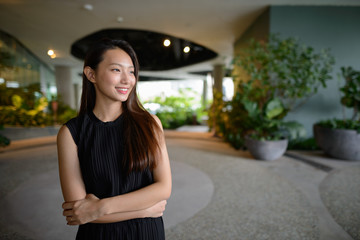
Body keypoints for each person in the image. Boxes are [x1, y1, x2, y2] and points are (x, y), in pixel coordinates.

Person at [57, 38, 172, 239]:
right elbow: (79, 212)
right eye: (116, 70)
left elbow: (163, 188)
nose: (127, 80)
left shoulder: (150, 124)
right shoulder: (71, 133)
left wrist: (101, 206)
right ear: (91, 74)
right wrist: (143, 211)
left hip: (146, 234)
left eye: (131, 71)